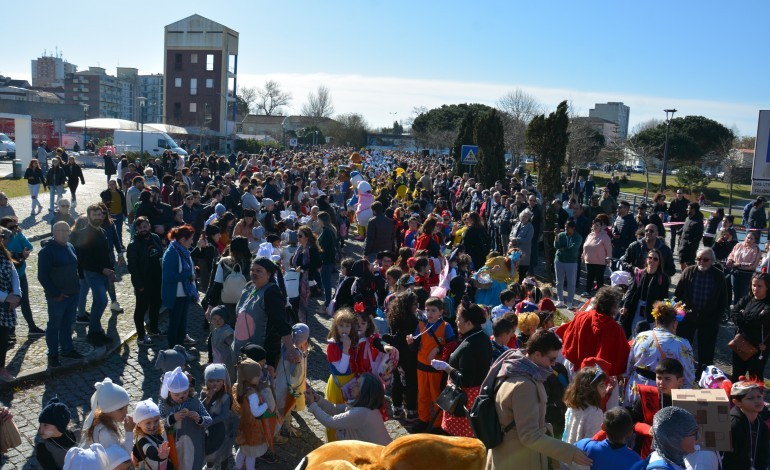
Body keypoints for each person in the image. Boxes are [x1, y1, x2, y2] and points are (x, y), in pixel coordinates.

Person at [486, 330, 593, 469]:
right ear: (537, 354)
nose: (554, 364)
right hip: (517, 460)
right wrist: (570, 452)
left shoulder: (514, 366)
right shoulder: (525, 386)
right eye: (552, 359)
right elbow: (529, 436)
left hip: (506, 454)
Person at [431, 303, 492, 437]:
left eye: (459, 319)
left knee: (458, 441)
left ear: (469, 324)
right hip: (477, 397)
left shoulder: (468, 346)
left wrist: (446, 368)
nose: (456, 321)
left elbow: (465, 380)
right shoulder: (484, 338)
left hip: (464, 401)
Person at [624, 301, 695, 406]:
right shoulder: (682, 344)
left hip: (636, 389)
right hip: (662, 394)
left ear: (656, 322)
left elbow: (629, 366)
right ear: (674, 324)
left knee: (634, 420)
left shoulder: (641, 336)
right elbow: (688, 376)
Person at [232, 257, 297, 368]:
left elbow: (281, 323)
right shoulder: (249, 287)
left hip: (259, 354)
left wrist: (291, 350)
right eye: (252, 270)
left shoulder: (271, 293)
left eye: (259, 271)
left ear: (268, 274)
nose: (254, 273)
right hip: (241, 349)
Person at [37, 221, 83, 368]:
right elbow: (42, 276)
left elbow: (75, 268)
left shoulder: (70, 247)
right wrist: (56, 293)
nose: (64, 233)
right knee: (54, 326)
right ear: (53, 232)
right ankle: (52, 355)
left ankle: (67, 349)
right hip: (57, 297)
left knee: (68, 324)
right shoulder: (46, 252)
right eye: (60, 230)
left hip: (73, 294)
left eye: (66, 230)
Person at [407, 297, 456, 432]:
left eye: (433, 310)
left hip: (436, 369)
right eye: (427, 310)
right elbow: (416, 347)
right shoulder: (421, 325)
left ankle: (438, 425)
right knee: (422, 395)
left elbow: (452, 346)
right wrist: (411, 342)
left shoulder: (446, 327)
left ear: (441, 312)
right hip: (421, 366)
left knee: (437, 397)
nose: (429, 313)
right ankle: (423, 420)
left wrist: (438, 349)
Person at [674, 247, 727, 372]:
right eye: (698, 259)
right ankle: (681, 371)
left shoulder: (719, 276)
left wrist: (716, 319)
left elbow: (723, 300)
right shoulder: (688, 271)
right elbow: (678, 295)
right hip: (688, 317)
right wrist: (679, 313)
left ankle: (704, 374)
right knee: (683, 347)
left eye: (705, 259)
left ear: (712, 261)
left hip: (709, 319)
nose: (701, 262)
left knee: (706, 350)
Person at [305, 373, 392, 446]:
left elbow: (330, 422)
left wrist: (312, 405)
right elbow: (334, 409)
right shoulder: (362, 406)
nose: (352, 385)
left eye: (357, 385)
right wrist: (318, 399)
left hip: (378, 459)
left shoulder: (361, 413)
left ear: (365, 393)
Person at [74, 205, 115, 347]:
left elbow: (107, 253)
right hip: (93, 273)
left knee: (98, 302)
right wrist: (102, 269)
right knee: (102, 301)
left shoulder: (102, 231)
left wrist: (110, 269)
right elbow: (84, 260)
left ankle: (97, 331)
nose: (98, 217)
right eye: (95, 215)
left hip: (104, 272)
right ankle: (93, 333)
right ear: (89, 216)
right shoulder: (84, 233)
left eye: (100, 214)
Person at [1, 217, 45, 339]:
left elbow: (29, 246)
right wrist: (21, 256)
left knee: (24, 300)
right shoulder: (5, 241)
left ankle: (31, 327)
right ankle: (10, 331)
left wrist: (20, 235)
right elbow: (10, 260)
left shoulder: (16, 236)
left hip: (20, 274)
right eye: (11, 227)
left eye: (16, 226)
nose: (15, 229)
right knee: (10, 303)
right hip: (6, 279)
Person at [127, 217, 164, 346]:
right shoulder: (133, 245)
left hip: (157, 279)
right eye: (140, 227)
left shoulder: (155, 238)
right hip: (143, 282)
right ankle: (141, 335)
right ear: (136, 229)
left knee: (156, 305)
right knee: (141, 309)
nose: (144, 229)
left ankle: (153, 329)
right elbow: (132, 267)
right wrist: (139, 285)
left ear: (149, 226)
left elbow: (161, 254)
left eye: (145, 226)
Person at [161, 225, 198, 353]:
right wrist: (188, 275)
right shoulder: (172, 253)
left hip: (184, 293)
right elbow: (169, 277)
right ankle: (173, 353)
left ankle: (180, 351)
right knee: (175, 325)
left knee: (182, 325)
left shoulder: (182, 250)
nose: (192, 241)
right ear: (182, 239)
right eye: (190, 239)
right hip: (176, 295)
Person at [384, 292, 419, 423]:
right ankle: (411, 411)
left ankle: (397, 408)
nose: (416, 306)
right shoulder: (412, 320)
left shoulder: (394, 317)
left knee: (397, 381)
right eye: (415, 304)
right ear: (408, 305)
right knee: (411, 383)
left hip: (396, 355)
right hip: (408, 357)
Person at [619, 249, 670, 338]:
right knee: (635, 330)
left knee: (649, 334)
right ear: (646, 259)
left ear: (659, 262)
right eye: (650, 258)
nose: (652, 261)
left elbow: (664, 298)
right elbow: (631, 291)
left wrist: (660, 314)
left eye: (655, 259)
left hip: (652, 310)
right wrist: (625, 306)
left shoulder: (663, 278)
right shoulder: (640, 273)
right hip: (638, 307)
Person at [729, 273, 770, 381]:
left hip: (759, 347)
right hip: (741, 342)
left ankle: (755, 397)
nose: (755, 288)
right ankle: (735, 397)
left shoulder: (768, 304)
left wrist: (743, 315)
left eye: (759, 286)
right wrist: (745, 317)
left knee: (755, 376)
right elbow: (734, 312)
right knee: (737, 374)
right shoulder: (747, 299)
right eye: (753, 285)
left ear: (767, 287)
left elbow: (758, 321)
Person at [722, 380, 769, 470]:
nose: (757, 401)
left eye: (759, 396)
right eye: (750, 398)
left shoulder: (760, 423)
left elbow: (763, 453)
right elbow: (730, 460)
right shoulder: (733, 425)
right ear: (737, 402)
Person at [574, 407, 640, 470]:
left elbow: (571, 449)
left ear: (603, 427)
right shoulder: (636, 460)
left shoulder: (588, 446)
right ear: (630, 433)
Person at [81, 378, 134, 454]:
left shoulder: (107, 419)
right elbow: (123, 457)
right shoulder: (105, 433)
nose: (126, 412)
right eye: (121, 409)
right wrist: (129, 432)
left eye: (127, 407)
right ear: (108, 409)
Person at [561, 365, 608, 445]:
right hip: (583, 454)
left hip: (569, 449)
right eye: (601, 385)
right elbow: (593, 440)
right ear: (590, 388)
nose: (605, 388)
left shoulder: (573, 406)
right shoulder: (595, 412)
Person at [291, 225, 322, 324]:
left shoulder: (311, 248)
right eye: (297, 236)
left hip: (306, 280)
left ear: (307, 237)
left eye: (300, 236)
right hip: (297, 280)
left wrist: (303, 268)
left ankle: (302, 325)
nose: (298, 238)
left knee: (302, 304)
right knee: (296, 304)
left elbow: (317, 263)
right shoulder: (300, 247)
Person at [36, 397, 78, 469]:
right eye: (40, 424)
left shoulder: (77, 435)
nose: (40, 429)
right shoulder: (43, 448)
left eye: (45, 425)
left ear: (59, 425)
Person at [131, 399, 171, 470]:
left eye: (156, 421)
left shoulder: (160, 427)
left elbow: (167, 422)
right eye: (148, 423)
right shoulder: (142, 440)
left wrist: (174, 417)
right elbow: (149, 451)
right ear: (138, 424)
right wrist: (159, 456)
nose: (153, 426)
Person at [726, 230, 761, 306]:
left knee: (744, 294)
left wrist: (739, 264)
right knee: (735, 293)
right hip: (735, 272)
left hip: (747, 274)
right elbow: (731, 254)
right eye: (748, 237)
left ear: (755, 240)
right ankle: (735, 311)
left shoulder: (756, 249)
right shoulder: (738, 245)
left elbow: (752, 264)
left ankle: (743, 311)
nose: (749, 240)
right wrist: (730, 260)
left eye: (751, 239)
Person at [554, 220, 582, 308]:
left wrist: (563, 248)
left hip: (571, 262)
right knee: (559, 282)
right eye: (565, 227)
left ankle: (570, 302)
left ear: (573, 228)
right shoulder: (561, 235)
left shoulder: (578, 237)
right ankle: (560, 300)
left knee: (571, 283)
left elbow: (573, 248)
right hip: (559, 260)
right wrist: (556, 236)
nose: (566, 229)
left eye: (568, 228)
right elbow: (556, 246)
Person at [582, 217, 611, 296]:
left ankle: (600, 294)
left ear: (601, 226)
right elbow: (585, 246)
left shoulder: (605, 236)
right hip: (589, 261)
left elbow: (608, 248)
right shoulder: (589, 235)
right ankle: (587, 291)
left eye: (597, 225)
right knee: (589, 277)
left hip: (600, 262)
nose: (595, 226)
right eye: (594, 225)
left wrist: (608, 258)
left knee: (599, 278)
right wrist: (583, 256)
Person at [317, 212, 338, 308]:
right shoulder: (330, 229)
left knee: (326, 282)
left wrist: (320, 263)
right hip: (330, 260)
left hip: (326, 261)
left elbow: (324, 250)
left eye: (318, 220)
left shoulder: (326, 232)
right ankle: (328, 300)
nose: (317, 222)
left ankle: (327, 303)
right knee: (327, 282)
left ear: (322, 221)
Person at [676, 202, 704, 271]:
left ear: (693, 210)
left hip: (690, 247)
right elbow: (684, 227)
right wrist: (679, 232)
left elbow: (698, 236)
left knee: (690, 263)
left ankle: (691, 276)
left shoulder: (698, 222)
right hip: (682, 244)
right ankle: (684, 275)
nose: (687, 210)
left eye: (688, 209)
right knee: (681, 260)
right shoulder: (687, 218)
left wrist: (690, 244)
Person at [509, 208, 534, 279]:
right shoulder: (517, 224)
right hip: (513, 252)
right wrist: (512, 239)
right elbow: (511, 234)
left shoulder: (530, 227)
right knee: (512, 272)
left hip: (523, 254)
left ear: (529, 218)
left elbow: (528, 240)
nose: (524, 218)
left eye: (526, 217)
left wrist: (516, 240)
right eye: (523, 216)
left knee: (521, 274)